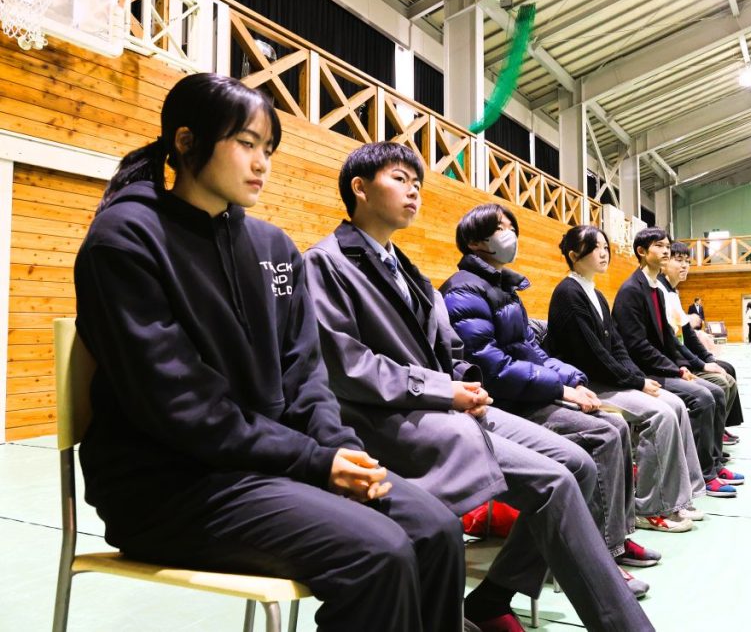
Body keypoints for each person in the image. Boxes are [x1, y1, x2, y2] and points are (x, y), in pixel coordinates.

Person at [73, 74, 464, 632]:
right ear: (186, 141)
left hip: (269, 467)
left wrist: (341, 451)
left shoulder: (274, 247)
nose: (262, 163)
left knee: (437, 529)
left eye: (270, 149)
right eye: (246, 143)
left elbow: (305, 374)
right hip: (168, 484)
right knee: (377, 552)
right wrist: (313, 462)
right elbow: (180, 405)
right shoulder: (126, 238)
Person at [303, 144, 653, 631]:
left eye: (418, 184)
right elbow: (348, 366)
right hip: (388, 419)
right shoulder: (325, 263)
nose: (413, 192)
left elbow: (454, 351)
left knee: (578, 463)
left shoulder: (407, 269)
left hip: (446, 407)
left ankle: (491, 598)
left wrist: (468, 386)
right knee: (553, 482)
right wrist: (444, 391)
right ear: (359, 188)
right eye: (400, 179)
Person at [440, 203, 657, 600]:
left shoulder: (505, 288)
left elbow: (531, 350)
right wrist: (558, 389)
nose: (510, 235)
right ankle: (601, 554)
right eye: (500, 228)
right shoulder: (464, 289)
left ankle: (617, 539)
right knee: (602, 436)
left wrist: (572, 379)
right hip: (505, 403)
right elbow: (491, 367)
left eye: (512, 226)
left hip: (528, 393)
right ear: (474, 240)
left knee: (616, 425)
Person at [545, 225, 706, 532]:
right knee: (659, 415)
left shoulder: (596, 293)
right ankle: (649, 508)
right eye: (595, 247)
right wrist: (636, 382)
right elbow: (594, 357)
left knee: (675, 404)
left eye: (606, 247)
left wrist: (638, 377)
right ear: (574, 255)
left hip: (609, 378)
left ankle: (676, 499)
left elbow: (617, 346)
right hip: (589, 384)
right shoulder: (568, 293)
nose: (604, 253)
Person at [612, 227, 742, 497]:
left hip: (661, 367)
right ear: (641, 252)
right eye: (659, 246)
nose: (666, 251)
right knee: (703, 398)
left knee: (717, 392)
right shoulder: (630, 291)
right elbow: (636, 346)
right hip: (644, 372)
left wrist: (685, 365)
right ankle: (704, 475)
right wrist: (675, 369)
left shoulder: (656, 291)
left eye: (667, 246)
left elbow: (670, 339)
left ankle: (713, 464)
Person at [659, 241, 743, 441]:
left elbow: (688, 334)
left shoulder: (673, 292)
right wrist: (700, 364)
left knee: (727, 368)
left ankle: (719, 428)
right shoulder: (660, 291)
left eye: (687, 261)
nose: (684, 265)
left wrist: (709, 359)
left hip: (682, 356)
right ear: (664, 262)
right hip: (673, 362)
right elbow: (673, 341)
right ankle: (712, 435)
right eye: (678, 260)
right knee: (722, 382)